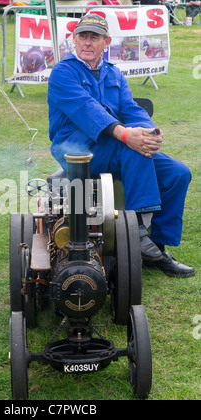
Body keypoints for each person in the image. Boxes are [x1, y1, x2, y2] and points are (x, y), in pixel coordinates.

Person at [47, 14, 195, 278]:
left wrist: (149, 133)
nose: (87, 43)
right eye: (82, 36)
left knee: (178, 173)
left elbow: (130, 108)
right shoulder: (63, 72)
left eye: (94, 37)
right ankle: (136, 232)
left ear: (107, 42)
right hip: (77, 149)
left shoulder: (113, 72)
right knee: (132, 149)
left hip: (113, 142)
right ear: (74, 39)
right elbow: (86, 109)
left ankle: (157, 250)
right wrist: (127, 135)